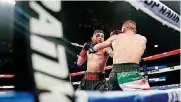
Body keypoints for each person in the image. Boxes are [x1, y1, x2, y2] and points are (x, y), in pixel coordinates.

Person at [89, 20, 150, 91]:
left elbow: (97, 47)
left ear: (123, 29)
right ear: (135, 29)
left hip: (113, 73)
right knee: (149, 97)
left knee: (114, 98)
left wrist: (92, 49)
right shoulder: (142, 39)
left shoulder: (115, 37)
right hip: (130, 73)